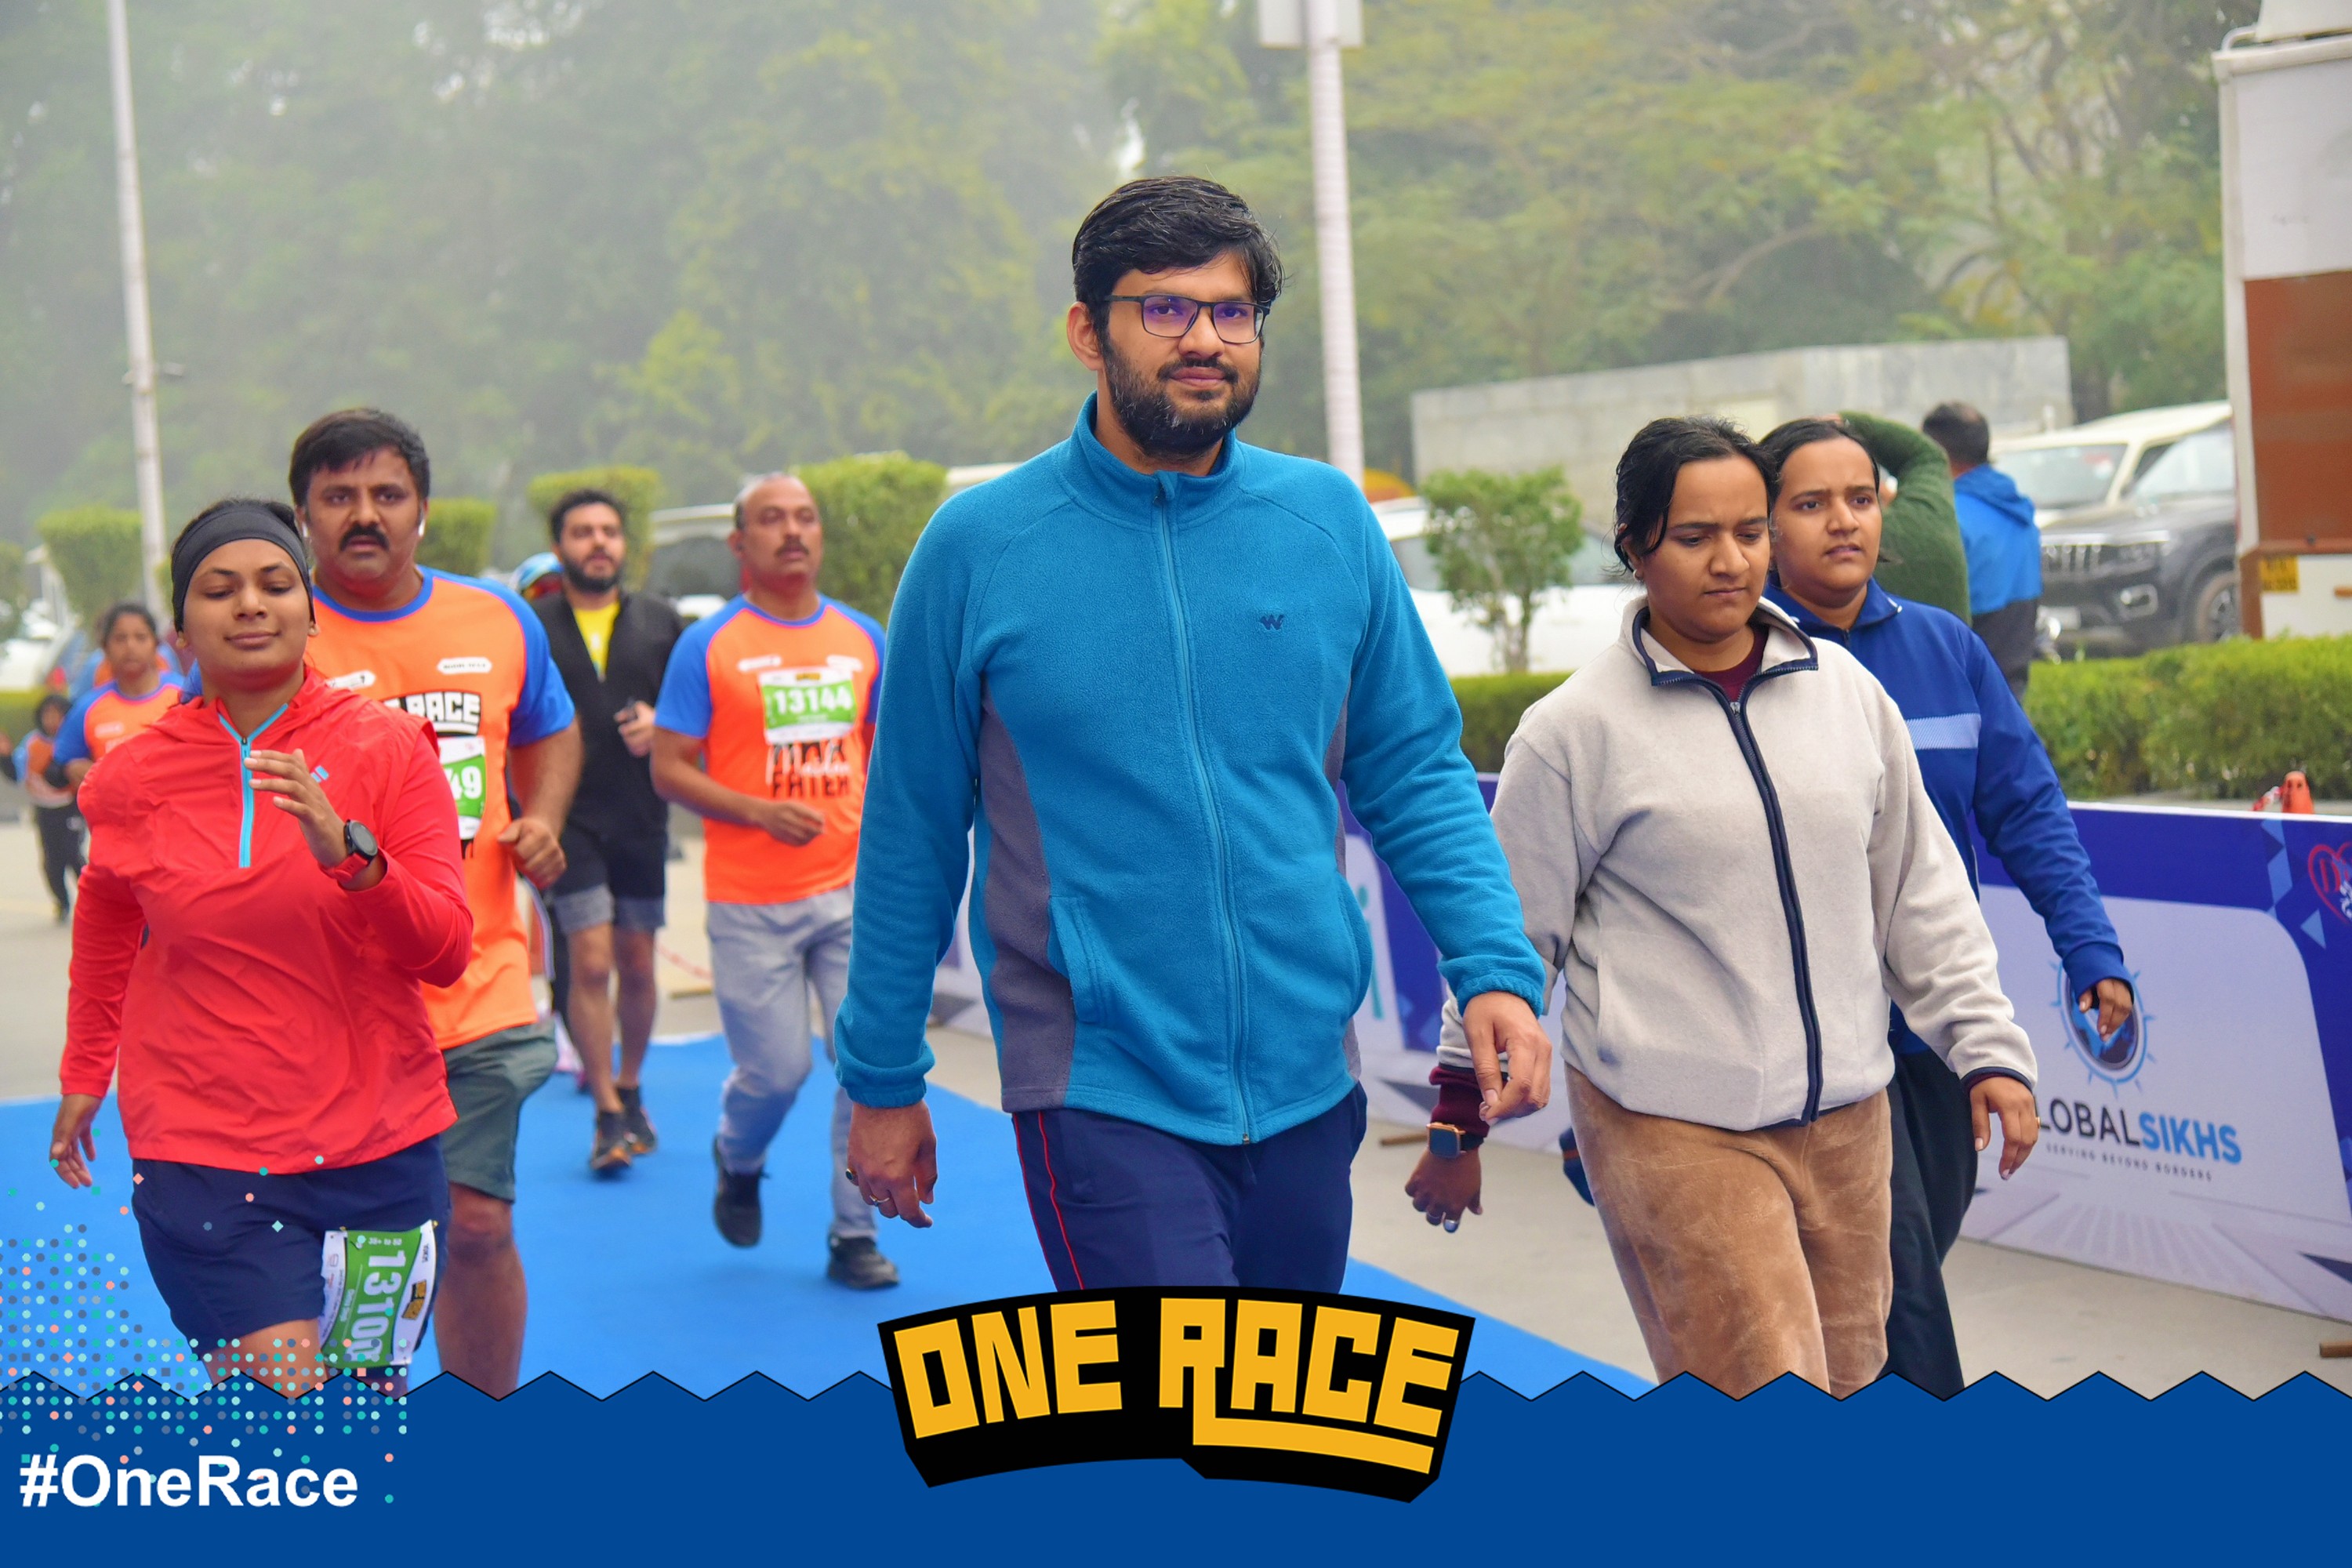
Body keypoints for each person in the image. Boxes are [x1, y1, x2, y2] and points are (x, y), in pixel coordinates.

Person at [831, 174, 1552, 1292]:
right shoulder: (978, 548)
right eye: (1165, 308)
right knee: (1178, 1387)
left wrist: (1494, 969)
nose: (1206, 339)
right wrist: (882, 1076)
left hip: (1310, 1077)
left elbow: (1415, 772)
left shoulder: (1326, 521)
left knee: (1280, 1393)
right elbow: (912, 827)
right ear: (1089, 331)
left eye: (1232, 311)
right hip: (1098, 1084)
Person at [1443, 416, 2038, 1398]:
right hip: (1675, 1129)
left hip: (1851, 1120)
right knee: (1764, 1391)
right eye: (1695, 536)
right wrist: (1456, 1116)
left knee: (1856, 1383)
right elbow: (1504, 936)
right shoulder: (1574, 731)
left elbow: (1919, 893)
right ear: (1635, 545)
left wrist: (1988, 1048)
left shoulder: (1848, 694)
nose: (1731, 560)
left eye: (1751, 531)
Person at [48, 499, 471, 1396]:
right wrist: (86, 1068)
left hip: (380, 1149)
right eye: (219, 589)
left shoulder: (392, 747)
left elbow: (443, 950)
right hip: (208, 1152)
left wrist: (355, 858)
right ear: (181, 627)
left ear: (311, 611)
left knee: (364, 1410)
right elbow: (109, 916)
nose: (249, 603)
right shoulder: (130, 778)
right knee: (286, 1405)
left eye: (276, 583)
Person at [1760, 414, 2133, 1396]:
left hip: (1934, 1036)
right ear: (1766, 524)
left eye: (1862, 497)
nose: (1845, 520)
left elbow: (2029, 809)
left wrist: (2090, 947)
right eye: (1812, 502)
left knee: (1896, 1272)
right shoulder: (1739, 663)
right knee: (1899, 1293)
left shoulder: (1947, 648)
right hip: (1813, 1055)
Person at [292, 409, 582, 1396]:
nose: (364, 515)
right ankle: (365, 1431)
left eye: (387, 494)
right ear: (304, 515)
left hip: (477, 979)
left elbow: (550, 729)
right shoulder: (274, 631)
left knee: (480, 1223)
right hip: (334, 1004)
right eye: (339, 496)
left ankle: (482, 1430)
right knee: (369, 1244)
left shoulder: (496, 618)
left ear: (422, 508)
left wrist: (542, 817)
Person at [648, 474, 897, 1288]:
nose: (792, 532)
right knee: (777, 1073)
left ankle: (855, 1232)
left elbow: (886, 756)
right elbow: (669, 768)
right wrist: (757, 810)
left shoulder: (863, 637)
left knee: (863, 1063)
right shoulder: (709, 645)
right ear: (740, 543)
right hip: (750, 902)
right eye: (771, 519)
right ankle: (739, 1154)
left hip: (851, 893)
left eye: (805, 518)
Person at [533, 487, 684, 1174]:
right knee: (590, 963)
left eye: (609, 531)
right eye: (582, 531)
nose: (598, 542)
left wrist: (664, 725)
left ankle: (631, 1086)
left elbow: (697, 713)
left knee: (637, 964)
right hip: (568, 821)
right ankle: (604, 1109)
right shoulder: (534, 625)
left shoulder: (662, 621)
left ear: (624, 545)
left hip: (643, 818)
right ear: (559, 546)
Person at [1924, 401, 2041, 697]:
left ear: (1935, 453)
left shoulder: (1947, 518)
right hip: (2013, 679)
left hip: (1967, 686)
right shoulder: (2016, 507)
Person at [52, 602, 185, 789]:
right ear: (105, 648)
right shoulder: (88, 708)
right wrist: (70, 769)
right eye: (120, 638)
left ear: (156, 645)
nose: (130, 646)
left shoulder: (185, 696)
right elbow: (55, 769)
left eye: (140, 637)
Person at [8, 694, 85, 920]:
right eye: (47, 715)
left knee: (73, 854)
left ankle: (93, 900)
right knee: (52, 860)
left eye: (58, 715)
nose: (52, 721)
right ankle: (62, 902)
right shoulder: (32, 743)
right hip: (44, 809)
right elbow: (16, 774)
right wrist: (5, 758)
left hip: (70, 805)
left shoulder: (74, 741)